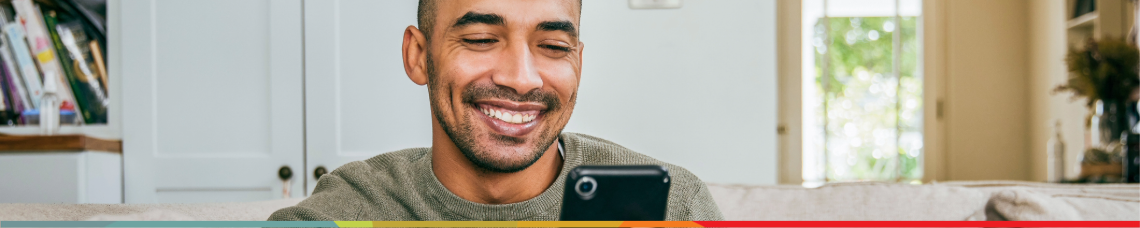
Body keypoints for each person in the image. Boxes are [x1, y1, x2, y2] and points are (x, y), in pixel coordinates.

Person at [269, 0, 723, 221]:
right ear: (418, 55)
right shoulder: (351, 207)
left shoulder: (672, 206)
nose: (522, 78)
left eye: (553, 46)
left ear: (578, 63)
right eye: (482, 39)